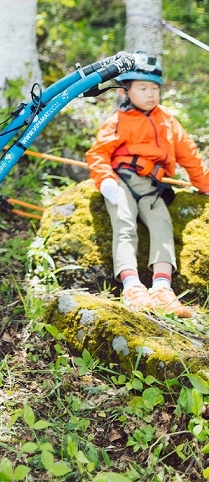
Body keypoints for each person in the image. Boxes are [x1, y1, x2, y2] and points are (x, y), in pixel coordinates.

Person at [86, 54, 209, 319]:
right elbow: (98, 154)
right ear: (126, 90)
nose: (151, 94)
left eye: (155, 88)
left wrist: (204, 184)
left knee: (162, 223)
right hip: (121, 179)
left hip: (152, 185)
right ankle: (132, 287)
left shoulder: (167, 121)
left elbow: (189, 155)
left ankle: (162, 287)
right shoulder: (118, 120)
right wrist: (104, 179)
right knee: (124, 222)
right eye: (143, 88)